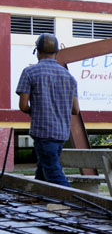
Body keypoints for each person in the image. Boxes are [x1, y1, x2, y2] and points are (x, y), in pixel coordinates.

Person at [16, 33, 79, 187]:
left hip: (42, 132)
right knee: (43, 170)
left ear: (37, 51)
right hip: (61, 133)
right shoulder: (69, 77)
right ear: (56, 52)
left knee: (53, 173)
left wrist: (37, 111)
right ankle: (38, 197)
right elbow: (75, 110)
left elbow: (23, 106)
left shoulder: (30, 72)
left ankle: (74, 201)